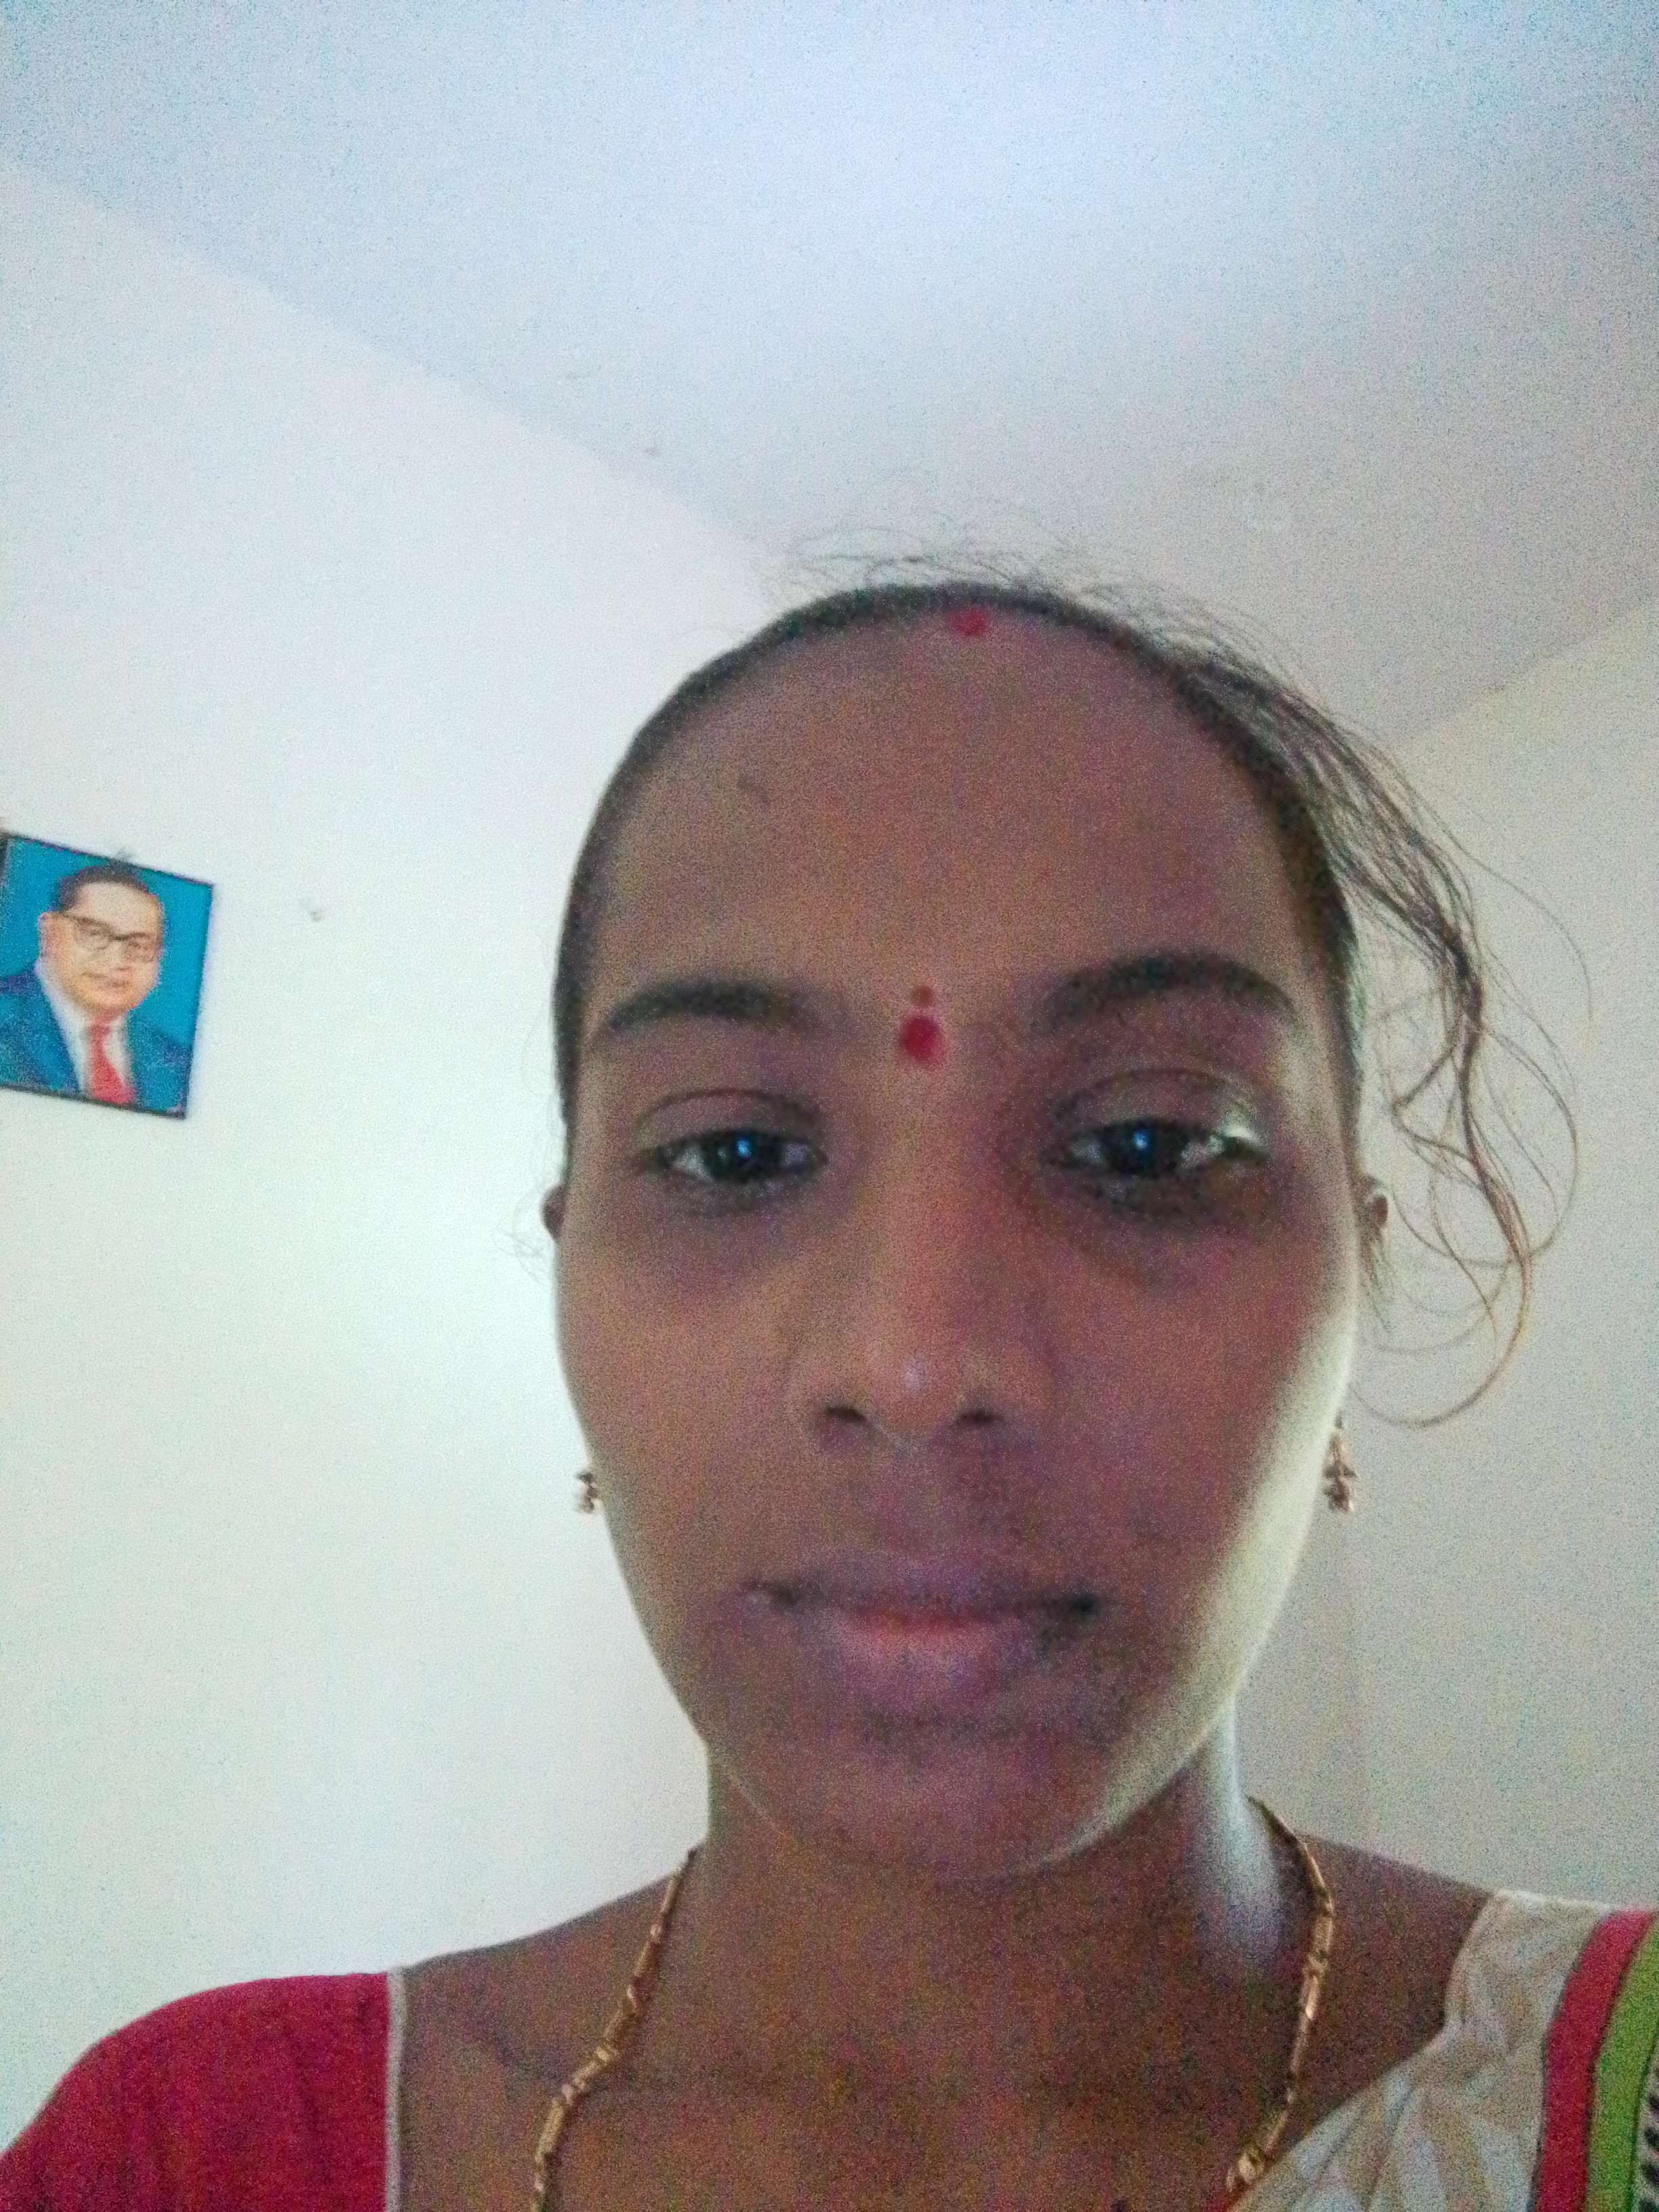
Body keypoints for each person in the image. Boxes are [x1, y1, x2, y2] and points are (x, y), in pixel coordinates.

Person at [3, 573, 1651, 2211]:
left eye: (1148, 1145)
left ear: (1354, 1283)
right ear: (570, 1276)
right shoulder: (178, 2158)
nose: (913, 1363)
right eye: (733, 1153)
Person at [0, 861, 190, 1113]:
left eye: (139, 945)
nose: (117, 961)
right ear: (50, 933)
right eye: (94, 934)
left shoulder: (177, 1062)